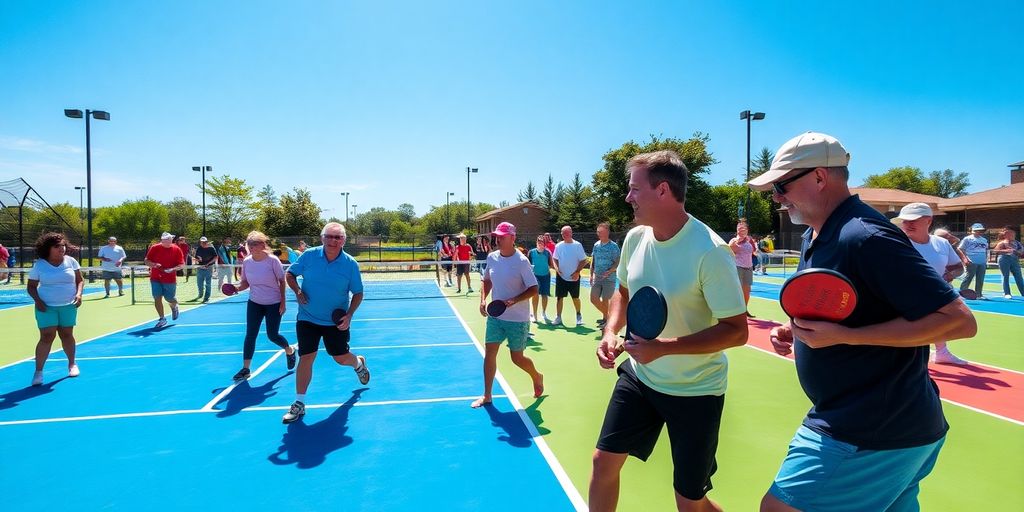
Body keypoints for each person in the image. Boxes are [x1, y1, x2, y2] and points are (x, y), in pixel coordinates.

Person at [747, 132, 977, 512]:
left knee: (779, 508)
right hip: (883, 424)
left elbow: (958, 321)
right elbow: (854, 307)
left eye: (782, 185)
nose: (776, 196)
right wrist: (800, 332)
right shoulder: (818, 234)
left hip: (871, 426)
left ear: (820, 177)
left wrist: (847, 336)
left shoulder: (863, 235)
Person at [592, 150, 748, 512]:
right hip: (642, 378)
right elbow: (624, 293)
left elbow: (736, 332)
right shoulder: (635, 239)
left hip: (696, 391)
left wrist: (664, 347)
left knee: (689, 501)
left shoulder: (710, 252)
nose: (628, 197)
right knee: (603, 462)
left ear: (663, 190)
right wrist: (611, 330)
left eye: (634, 189)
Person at [282, 222, 370, 424]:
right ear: (322, 238)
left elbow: (358, 293)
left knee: (339, 358)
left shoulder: (350, 264)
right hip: (307, 318)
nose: (333, 241)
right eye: (329, 236)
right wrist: (297, 291)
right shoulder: (310, 256)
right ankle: (299, 403)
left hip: (335, 322)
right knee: (306, 357)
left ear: (344, 240)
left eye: (337, 237)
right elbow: (290, 274)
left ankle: (358, 363)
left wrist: (348, 316)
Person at [472, 221, 543, 408]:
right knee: (490, 353)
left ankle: (536, 375)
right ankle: (487, 395)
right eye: (497, 236)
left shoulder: (521, 261)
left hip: (517, 319)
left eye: (502, 236)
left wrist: (514, 300)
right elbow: (487, 280)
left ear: (512, 238)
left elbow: (534, 288)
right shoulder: (492, 258)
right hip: (496, 317)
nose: (498, 239)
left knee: (516, 358)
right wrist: (482, 299)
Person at [893, 203, 969, 364]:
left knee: (938, 323)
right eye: (905, 221)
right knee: (913, 333)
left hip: (935, 294)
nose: (907, 224)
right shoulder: (896, 242)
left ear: (928, 221)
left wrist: (949, 275)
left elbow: (957, 267)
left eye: (913, 220)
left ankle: (941, 352)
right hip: (905, 296)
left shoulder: (941, 243)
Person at [232, 230, 296, 381]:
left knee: (272, 335)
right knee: (250, 334)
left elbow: (282, 281)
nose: (251, 246)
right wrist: (236, 288)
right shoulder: (247, 262)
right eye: (249, 244)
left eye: (254, 244)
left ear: (262, 245)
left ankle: (289, 350)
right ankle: (246, 368)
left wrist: (283, 301)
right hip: (254, 302)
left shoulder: (273, 260)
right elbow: (245, 282)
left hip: (273, 303)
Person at [26, 233, 84, 386]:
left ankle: (72, 364)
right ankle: (38, 372)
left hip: (68, 306)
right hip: (46, 307)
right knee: (46, 336)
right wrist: (38, 301)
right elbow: (31, 286)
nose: (61, 249)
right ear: (48, 248)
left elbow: (80, 281)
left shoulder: (71, 262)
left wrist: (79, 294)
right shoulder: (40, 265)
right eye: (57, 246)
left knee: (67, 334)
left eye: (63, 245)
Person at [145, 232, 185, 328]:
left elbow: (181, 265)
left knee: (170, 298)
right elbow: (147, 260)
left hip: (170, 279)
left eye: (167, 240)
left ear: (171, 240)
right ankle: (162, 318)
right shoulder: (154, 248)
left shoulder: (177, 249)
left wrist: (172, 269)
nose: (165, 242)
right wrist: (154, 265)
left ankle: (174, 306)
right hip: (155, 277)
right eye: (163, 240)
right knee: (157, 297)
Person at [553, 225, 587, 327]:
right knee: (559, 298)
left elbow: (583, 260)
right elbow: (554, 259)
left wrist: (577, 272)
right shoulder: (558, 246)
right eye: (563, 233)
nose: (565, 235)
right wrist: (556, 268)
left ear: (571, 233)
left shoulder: (577, 245)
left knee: (575, 298)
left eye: (567, 233)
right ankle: (558, 317)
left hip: (574, 277)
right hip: (561, 277)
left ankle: (579, 316)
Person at [590, 222, 620, 328]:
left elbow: (618, 261)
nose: (599, 234)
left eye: (601, 232)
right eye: (598, 232)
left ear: (607, 232)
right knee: (593, 298)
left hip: (609, 278)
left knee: (606, 299)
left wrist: (611, 270)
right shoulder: (596, 245)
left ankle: (605, 320)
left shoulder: (613, 246)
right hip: (597, 277)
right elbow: (593, 260)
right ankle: (608, 317)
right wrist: (591, 274)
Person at [728, 221, 757, 315]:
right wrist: (738, 241)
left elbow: (754, 250)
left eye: (744, 229)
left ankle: (744, 310)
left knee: (747, 290)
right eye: (739, 228)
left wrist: (751, 243)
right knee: (737, 290)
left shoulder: (749, 240)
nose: (742, 230)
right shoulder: (734, 240)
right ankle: (735, 311)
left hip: (748, 267)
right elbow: (730, 251)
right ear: (737, 230)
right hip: (738, 267)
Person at [958, 224, 990, 299]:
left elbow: (985, 250)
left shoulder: (984, 240)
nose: (979, 232)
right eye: (977, 230)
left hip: (982, 261)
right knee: (969, 277)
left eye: (980, 230)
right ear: (972, 231)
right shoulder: (967, 239)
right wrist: (965, 259)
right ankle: (962, 292)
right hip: (971, 261)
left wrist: (986, 260)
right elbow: (960, 249)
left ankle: (979, 294)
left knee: (980, 278)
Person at [528, 235, 555, 323]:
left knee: (544, 295)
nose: (540, 244)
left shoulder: (547, 253)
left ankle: (543, 313)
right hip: (535, 276)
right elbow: (528, 264)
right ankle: (534, 315)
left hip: (546, 275)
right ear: (536, 242)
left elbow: (551, 264)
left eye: (542, 242)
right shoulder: (531, 252)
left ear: (545, 243)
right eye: (539, 242)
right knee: (535, 294)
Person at [993, 225, 1024, 299]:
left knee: (1019, 276)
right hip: (1004, 259)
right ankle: (1007, 293)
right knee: (1005, 276)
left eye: (1012, 233)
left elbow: (1021, 251)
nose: (1011, 235)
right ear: (1005, 235)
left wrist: (1017, 252)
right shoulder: (1002, 243)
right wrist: (1005, 251)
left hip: (1014, 260)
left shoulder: (1017, 243)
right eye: (1009, 233)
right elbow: (995, 251)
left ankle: (1023, 292)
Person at [193, 236, 218, 303]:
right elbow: (197, 257)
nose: (203, 243)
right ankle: (200, 295)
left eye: (204, 242)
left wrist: (208, 263)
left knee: (208, 283)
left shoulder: (211, 248)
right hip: (200, 268)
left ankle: (206, 298)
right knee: (199, 283)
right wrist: (198, 259)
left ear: (206, 242)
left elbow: (215, 257)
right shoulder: (199, 248)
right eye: (201, 242)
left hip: (209, 268)